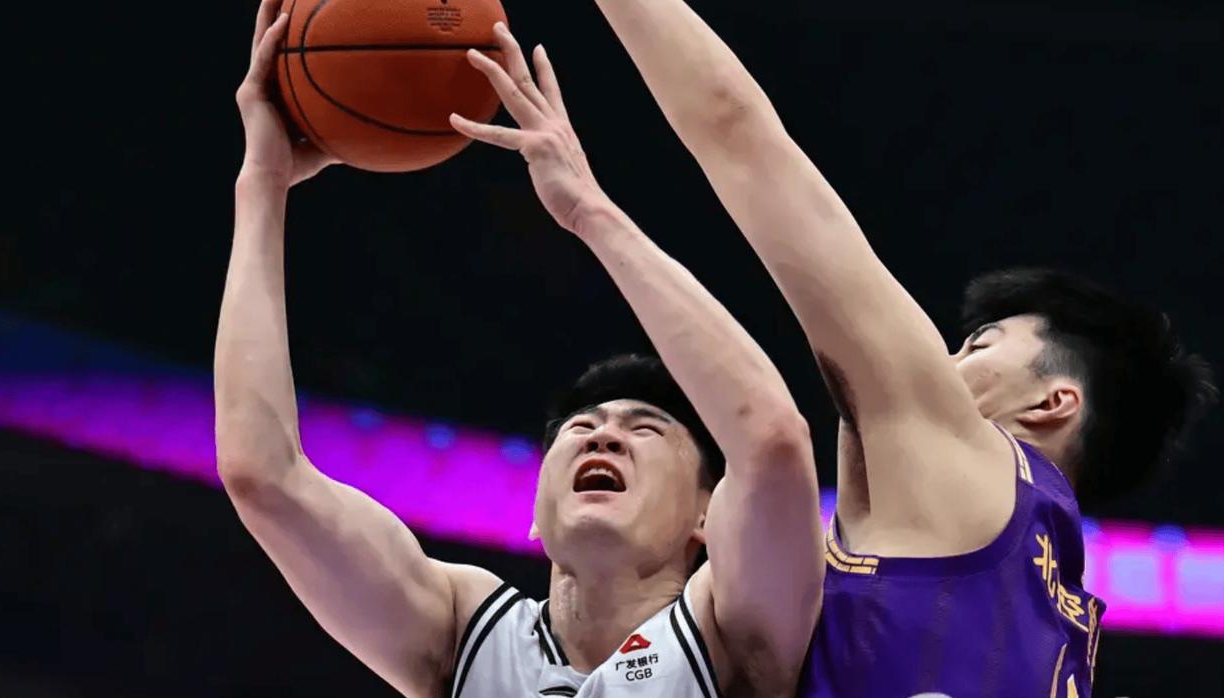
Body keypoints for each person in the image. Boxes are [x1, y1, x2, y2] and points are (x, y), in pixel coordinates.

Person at [585, 2, 1218, 696]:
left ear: (1053, 402)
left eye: (979, 345)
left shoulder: (968, 462)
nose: (943, 364)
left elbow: (739, 133)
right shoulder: (1063, 629)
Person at [215, 2, 823, 696]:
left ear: (708, 516)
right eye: (580, 429)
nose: (604, 437)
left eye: (646, 429)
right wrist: (261, 184)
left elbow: (772, 441)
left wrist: (589, 211)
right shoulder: (461, 630)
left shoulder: (732, 635)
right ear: (534, 512)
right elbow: (262, 475)